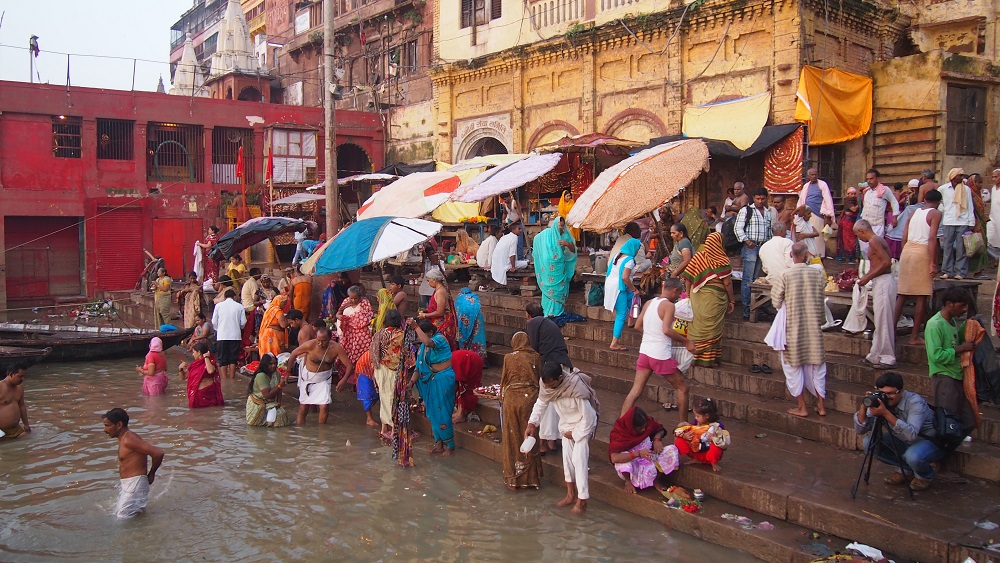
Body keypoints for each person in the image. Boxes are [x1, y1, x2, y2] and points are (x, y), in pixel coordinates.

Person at [526, 362, 600, 514]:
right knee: (567, 461)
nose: (549, 389)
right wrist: (532, 424)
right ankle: (571, 495)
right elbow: (541, 403)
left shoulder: (576, 388)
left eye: (552, 385)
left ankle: (582, 500)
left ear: (560, 378)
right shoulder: (546, 386)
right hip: (566, 425)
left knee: (579, 461)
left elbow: (590, 417)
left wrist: (576, 434)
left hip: (582, 426)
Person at [854, 371, 942, 491]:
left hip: (926, 441)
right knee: (868, 443)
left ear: (900, 391)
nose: (886, 397)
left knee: (912, 456)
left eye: (890, 393)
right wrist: (864, 407)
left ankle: (924, 475)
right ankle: (906, 470)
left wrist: (885, 413)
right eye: (883, 393)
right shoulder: (881, 400)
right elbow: (860, 430)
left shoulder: (915, 402)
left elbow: (911, 435)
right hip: (901, 440)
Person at [621, 277, 694, 420]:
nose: (678, 297)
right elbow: (666, 330)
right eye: (679, 294)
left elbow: (637, 326)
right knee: (683, 388)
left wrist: (652, 334)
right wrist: (686, 341)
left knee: (635, 391)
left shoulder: (649, 303)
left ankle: (621, 424)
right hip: (660, 355)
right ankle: (683, 426)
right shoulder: (669, 306)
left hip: (645, 353)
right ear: (675, 290)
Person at [771, 242, 827, 417]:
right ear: (806, 255)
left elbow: (776, 300)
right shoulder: (817, 273)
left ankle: (802, 407)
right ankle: (821, 406)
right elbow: (821, 298)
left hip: (793, 328)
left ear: (791, 256)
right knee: (818, 367)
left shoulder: (785, 275)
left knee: (792, 368)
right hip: (813, 327)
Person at [893, 189, 942, 345]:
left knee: (903, 294)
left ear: (925, 200)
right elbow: (932, 238)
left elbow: (904, 237)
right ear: (938, 202)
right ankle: (914, 337)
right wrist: (933, 263)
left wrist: (905, 253)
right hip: (922, 251)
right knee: (921, 295)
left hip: (907, 251)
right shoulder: (935, 213)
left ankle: (891, 331)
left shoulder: (914, 212)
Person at [925, 287, 977, 432]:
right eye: (962, 306)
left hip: (957, 375)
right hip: (945, 376)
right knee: (947, 420)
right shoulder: (935, 324)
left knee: (968, 419)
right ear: (949, 304)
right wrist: (960, 349)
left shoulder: (952, 321)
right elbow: (936, 356)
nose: (964, 309)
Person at [681, 232, 736, 367]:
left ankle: (693, 358)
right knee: (712, 330)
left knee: (697, 327)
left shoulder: (698, 257)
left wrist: (688, 295)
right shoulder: (722, 260)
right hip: (715, 300)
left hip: (697, 298)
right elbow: (727, 283)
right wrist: (732, 300)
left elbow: (688, 278)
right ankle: (708, 360)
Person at [102, 408, 165, 519]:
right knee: (134, 517)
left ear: (119, 425)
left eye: (108, 425)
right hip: (131, 485)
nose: (105, 430)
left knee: (122, 520)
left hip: (134, 485)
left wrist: (151, 474)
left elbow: (158, 453)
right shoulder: (125, 438)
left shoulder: (129, 439)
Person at [407, 318, 457, 456]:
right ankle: (439, 443)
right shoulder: (423, 347)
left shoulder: (439, 339)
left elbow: (429, 342)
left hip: (443, 379)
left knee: (442, 412)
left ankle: (450, 446)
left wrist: (415, 326)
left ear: (430, 332)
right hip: (430, 381)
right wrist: (411, 383)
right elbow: (418, 368)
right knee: (431, 413)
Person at [525, 301, 570, 455]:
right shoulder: (548, 323)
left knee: (546, 402)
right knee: (557, 402)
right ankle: (552, 442)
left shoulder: (533, 323)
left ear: (528, 315)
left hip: (551, 366)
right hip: (563, 365)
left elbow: (534, 347)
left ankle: (544, 444)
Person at [500, 332, 543, 490]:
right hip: (530, 399)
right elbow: (539, 379)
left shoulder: (508, 358)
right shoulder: (536, 357)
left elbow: (504, 381)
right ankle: (531, 479)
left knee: (513, 437)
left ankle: (513, 480)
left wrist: (502, 398)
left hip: (511, 401)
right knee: (530, 435)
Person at [855, 220, 897, 369]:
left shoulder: (874, 241)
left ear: (861, 231)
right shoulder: (877, 239)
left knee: (884, 321)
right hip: (882, 282)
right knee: (879, 321)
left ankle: (887, 357)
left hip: (884, 282)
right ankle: (875, 355)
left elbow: (886, 263)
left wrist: (867, 277)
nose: (859, 239)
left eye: (857, 235)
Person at [289, 326, 352, 425]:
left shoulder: (336, 348)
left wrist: (343, 380)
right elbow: (293, 354)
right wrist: (287, 373)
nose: (320, 343)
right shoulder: (310, 345)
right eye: (318, 340)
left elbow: (349, 366)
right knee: (304, 406)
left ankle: (321, 433)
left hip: (324, 379)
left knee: (324, 406)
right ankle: (300, 431)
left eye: (323, 341)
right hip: (308, 378)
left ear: (329, 339)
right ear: (315, 337)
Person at [609, 407, 678, 493]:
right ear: (632, 427)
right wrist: (637, 453)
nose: (644, 430)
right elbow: (614, 458)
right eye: (640, 428)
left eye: (645, 427)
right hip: (633, 465)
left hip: (650, 458)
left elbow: (659, 429)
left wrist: (657, 439)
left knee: (672, 450)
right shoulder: (620, 432)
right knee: (622, 458)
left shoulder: (647, 423)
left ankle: (655, 480)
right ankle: (628, 482)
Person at [734, 187, 773, 319]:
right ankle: (747, 309)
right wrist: (746, 241)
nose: (760, 201)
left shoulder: (768, 213)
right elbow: (738, 228)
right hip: (750, 247)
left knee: (757, 280)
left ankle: (755, 307)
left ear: (766, 198)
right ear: (754, 198)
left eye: (763, 198)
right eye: (758, 198)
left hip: (763, 248)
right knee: (747, 279)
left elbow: (769, 232)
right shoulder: (746, 210)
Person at [371, 309, 407, 441]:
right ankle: (393, 430)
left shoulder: (379, 333)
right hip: (395, 370)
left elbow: (373, 352)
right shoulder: (403, 335)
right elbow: (407, 356)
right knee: (393, 399)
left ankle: (383, 428)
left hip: (380, 369)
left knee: (384, 397)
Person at [533, 216, 578, 317]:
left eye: (562, 226)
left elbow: (573, 250)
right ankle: (547, 312)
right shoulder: (547, 234)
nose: (561, 228)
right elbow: (536, 239)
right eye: (559, 226)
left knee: (559, 289)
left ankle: (557, 312)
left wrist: (567, 244)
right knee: (548, 290)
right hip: (548, 268)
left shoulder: (566, 235)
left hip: (559, 267)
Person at [604, 238, 641, 351]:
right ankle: (614, 343)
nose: (637, 251)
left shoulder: (617, 256)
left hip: (611, 285)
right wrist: (634, 289)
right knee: (621, 315)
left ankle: (632, 320)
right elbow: (625, 277)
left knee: (632, 300)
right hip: (619, 288)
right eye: (637, 249)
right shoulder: (629, 260)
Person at [938, 168, 973, 279]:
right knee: (947, 246)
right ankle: (947, 271)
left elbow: (969, 205)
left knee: (961, 248)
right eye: (959, 176)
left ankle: (960, 272)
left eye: (962, 176)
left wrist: (971, 221)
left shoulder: (966, 189)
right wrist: (944, 209)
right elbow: (939, 202)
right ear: (953, 176)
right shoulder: (943, 189)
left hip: (963, 220)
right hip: (948, 220)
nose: (961, 178)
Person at [674, 398, 725, 471]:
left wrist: (715, 438)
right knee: (679, 440)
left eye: (698, 416)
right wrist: (685, 436)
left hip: (708, 451)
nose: (695, 418)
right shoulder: (696, 422)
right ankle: (696, 459)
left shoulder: (718, 426)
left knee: (715, 448)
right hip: (696, 449)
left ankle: (713, 462)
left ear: (706, 416)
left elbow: (724, 444)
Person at [859, 168, 900, 255]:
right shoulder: (866, 191)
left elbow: (894, 202)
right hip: (865, 224)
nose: (869, 181)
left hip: (877, 225)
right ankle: (867, 267)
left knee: (875, 249)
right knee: (864, 250)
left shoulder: (884, 190)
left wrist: (895, 217)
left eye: (871, 178)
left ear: (877, 178)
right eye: (867, 179)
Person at [245, 353, 290, 427]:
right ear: (265, 364)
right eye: (271, 364)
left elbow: (279, 391)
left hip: (271, 402)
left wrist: (279, 402)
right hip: (258, 404)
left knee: (281, 417)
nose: (273, 366)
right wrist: (280, 386)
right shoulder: (261, 376)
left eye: (275, 363)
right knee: (255, 426)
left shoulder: (276, 373)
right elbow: (267, 395)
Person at [336, 285, 375, 370]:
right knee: (347, 354)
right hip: (348, 333)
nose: (353, 300)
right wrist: (340, 317)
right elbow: (338, 313)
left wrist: (352, 318)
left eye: (355, 298)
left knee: (361, 356)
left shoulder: (365, 302)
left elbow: (368, 316)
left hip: (361, 334)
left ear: (360, 296)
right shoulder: (346, 301)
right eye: (351, 298)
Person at [799, 168, 835, 256]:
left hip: (818, 214)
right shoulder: (806, 186)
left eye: (816, 174)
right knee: (807, 236)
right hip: (806, 215)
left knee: (817, 237)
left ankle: (819, 256)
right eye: (812, 175)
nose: (814, 176)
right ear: (808, 176)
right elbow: (801, 200)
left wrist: (829, 214)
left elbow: (828, 199)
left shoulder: (822, 184)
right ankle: (808, 256)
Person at [419, 270, 458, 349]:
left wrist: (425, 315)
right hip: (438, 321)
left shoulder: (440, 292)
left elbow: (440, 312)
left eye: (428, 281)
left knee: (441, 346)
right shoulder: (438, 290)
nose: (428, 283)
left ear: (434, 280)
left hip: (443, 323)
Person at [212, 289, 246, 380]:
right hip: (235, 336)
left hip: (222, 335)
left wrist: (219, 330)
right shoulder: (239, 307)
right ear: (234, 297)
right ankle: (232, 378)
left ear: (224, 297)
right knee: (233, 358)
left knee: (222, 358)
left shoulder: (218, 306)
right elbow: (243, 322)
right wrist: (237, 327)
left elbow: (214, 321)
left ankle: (224, 379)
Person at [178, 342, 224, 409]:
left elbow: (210, 371)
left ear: (199, 352)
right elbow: (184, 377)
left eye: (194, 352)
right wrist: (180, 369)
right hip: (197, 396)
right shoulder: (194, 365)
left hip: (209, 395)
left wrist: (206, 357)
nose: (193, 354)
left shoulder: (210, 362)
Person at [885, 182, 920, 260]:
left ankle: (893, 253)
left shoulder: (894, 194)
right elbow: (898, 203)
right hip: (900, 215)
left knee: (892, 232)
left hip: (892, 214)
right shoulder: (906, 195)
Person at [490, 222, 528, 288]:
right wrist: (513, 267)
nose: (520, 230)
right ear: (513, 230)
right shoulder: (514, 238)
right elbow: (512, 255)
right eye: (519, 229)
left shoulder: (505, 237)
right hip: (504, 265)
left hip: (495, 265)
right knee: (526, 263)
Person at [452, 349, 484, 423]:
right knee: (461, 386)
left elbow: (455, 386)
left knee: (465, 387)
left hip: (471, 361)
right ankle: (460, 412)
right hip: (465, 360)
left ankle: (461, 414)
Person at [454, 287, 487, 359]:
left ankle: (466, 359)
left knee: (464, 337)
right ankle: (479, 359)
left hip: (464, 321)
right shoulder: (475, 297)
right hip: (477, 321)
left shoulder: (459, 299)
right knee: (477, 338)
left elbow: (456, 312)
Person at [0, 365, 31, 440]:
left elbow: (22, 406)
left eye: (24, 376)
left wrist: (26, 424)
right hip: (1, 432)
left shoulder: (20, 388)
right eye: (20, 376)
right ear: (11, 374)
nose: (22, 379)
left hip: (16, 429)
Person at [837, 197, 860, 261]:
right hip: (847, 223)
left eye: (855, 194)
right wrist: (859, 204)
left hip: (854, 223)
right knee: (848, 240)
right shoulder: (847, 201)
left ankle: (853, 256)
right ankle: (849, 257)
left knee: (853, 240)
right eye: (851, 194)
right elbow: (854, 209)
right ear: (848, 194)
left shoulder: (856, 201)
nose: (853, 195)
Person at [988, 169, 1000, 249]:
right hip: (993, 218)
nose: (993, 179)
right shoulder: (993, 188)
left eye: (996, 177)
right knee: (989, 237)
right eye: (992, 177)